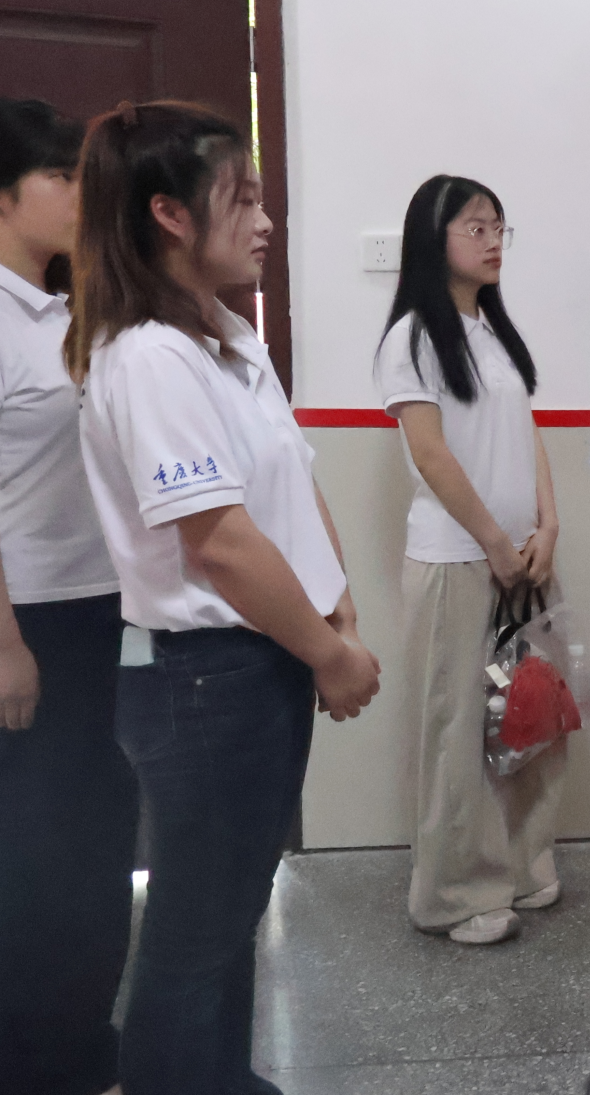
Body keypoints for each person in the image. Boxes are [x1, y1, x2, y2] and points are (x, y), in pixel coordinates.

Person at [68, 100, 382, 1095]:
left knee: (231, 913)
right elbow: (222, 544)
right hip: (204, 681)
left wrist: (337, 614)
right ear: (168, 214)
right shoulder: (148, 357)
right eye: (241, 199)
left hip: (258, 663)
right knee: (194, 933)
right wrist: (329, 654)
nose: (264, 220)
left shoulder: (225, 334)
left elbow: (292, 484)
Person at [375, 174, 565, 947]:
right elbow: (429, 453)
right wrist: (492, 541)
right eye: (475, 227)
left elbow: (527, 432)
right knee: (458, 729)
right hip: (459, 561)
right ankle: (451, 893)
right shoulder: (413, 336)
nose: (492, 242)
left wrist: (548, 524)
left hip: (523, 560)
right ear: (435, 238)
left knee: (529, 718)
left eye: (498, 227)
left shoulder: (491, 331)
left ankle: (519, 865)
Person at [0, 98, 134, 1095]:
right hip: (26, 617)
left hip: (100, 607)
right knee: (39, 850)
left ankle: (83, 1040)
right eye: (62, 176)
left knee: (98, 838)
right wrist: (4, 643)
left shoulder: (69, 308)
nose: (83, 195)